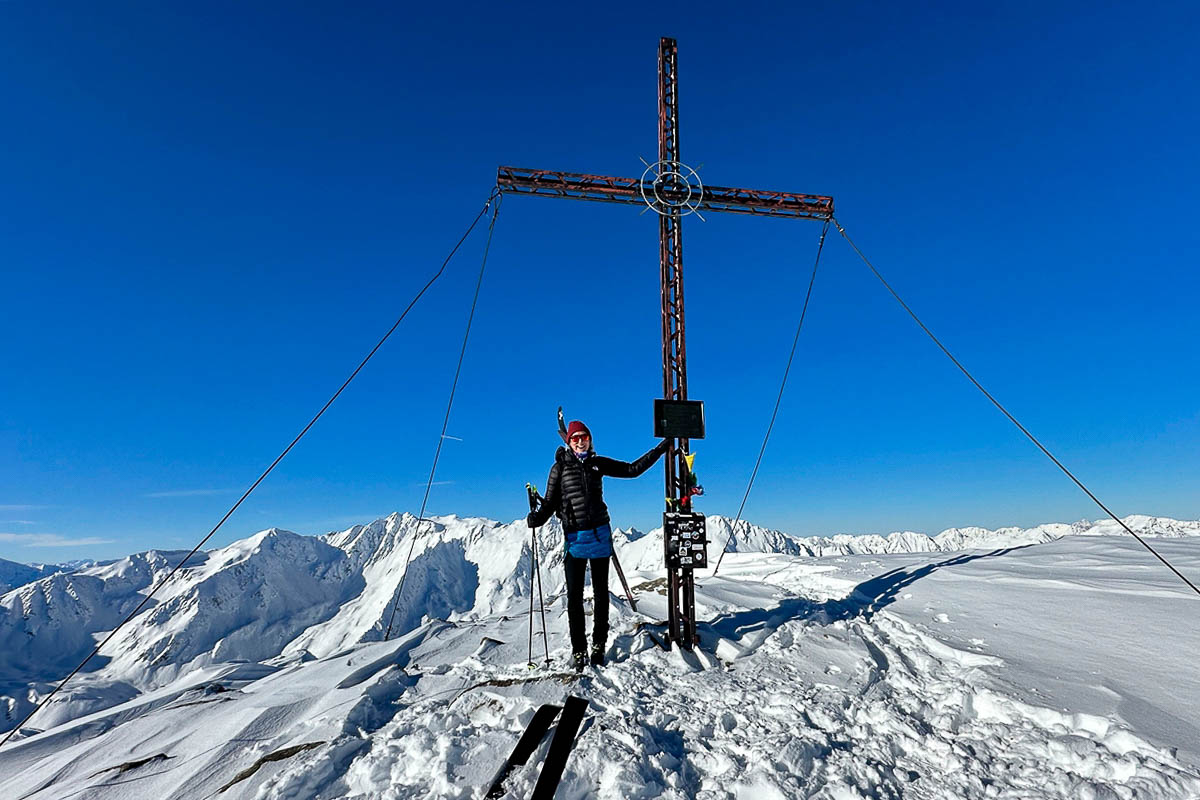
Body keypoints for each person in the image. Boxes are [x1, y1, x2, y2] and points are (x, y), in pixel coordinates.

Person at [527, 420, 669, 672]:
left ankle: (598, 646)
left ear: (590, 440)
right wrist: (536, 518)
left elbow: (631, 469)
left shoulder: (596, 463)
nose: (580, 441)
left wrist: (660, 449)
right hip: (575, 538)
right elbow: (549, 504)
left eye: (584, 437)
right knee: (574, 599)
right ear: (569, 442)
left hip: (600, 535)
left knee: (602, 596)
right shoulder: (558, 469)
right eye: (575, 438)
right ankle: (579, 649)